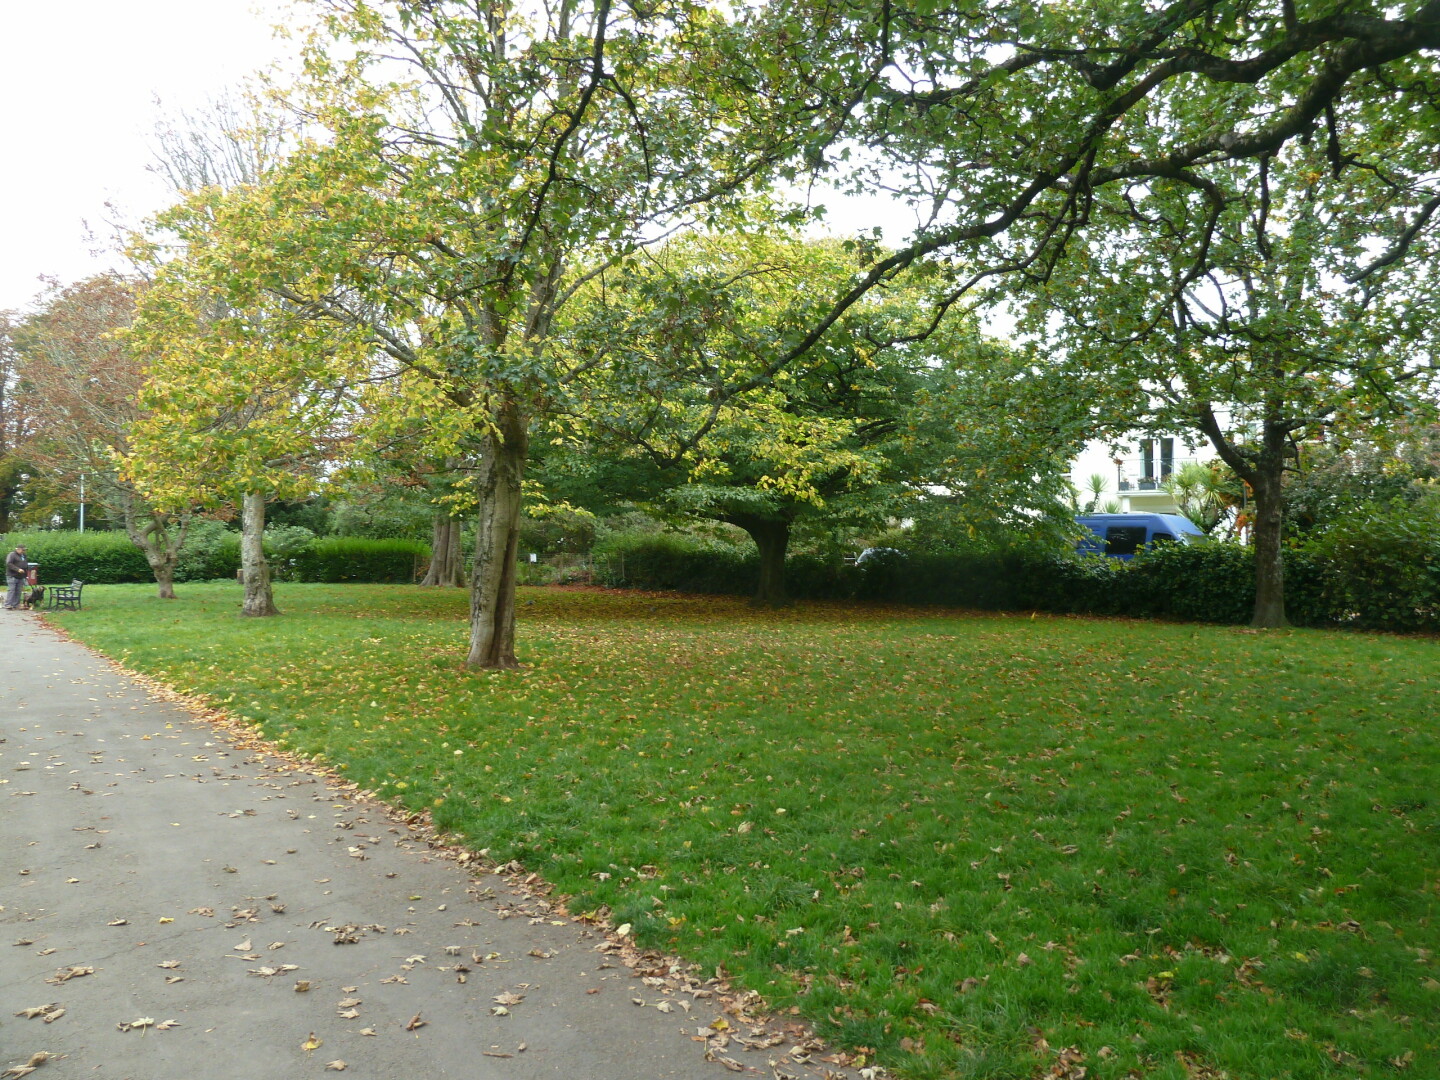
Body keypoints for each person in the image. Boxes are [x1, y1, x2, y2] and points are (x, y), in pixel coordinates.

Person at [5, 543, 27, 610]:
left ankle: (16, 605)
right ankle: (8, 604)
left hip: (21, 576)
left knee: (18, 591)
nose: (24, 551)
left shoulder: (23, 556)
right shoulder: (12, 554)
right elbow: (9, 563)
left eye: (24, 550)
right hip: (12, 576)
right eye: (23, 550)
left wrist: (25, 575)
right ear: (18, 549)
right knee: (12, 590)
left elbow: (25, 565)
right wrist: (17, 569)